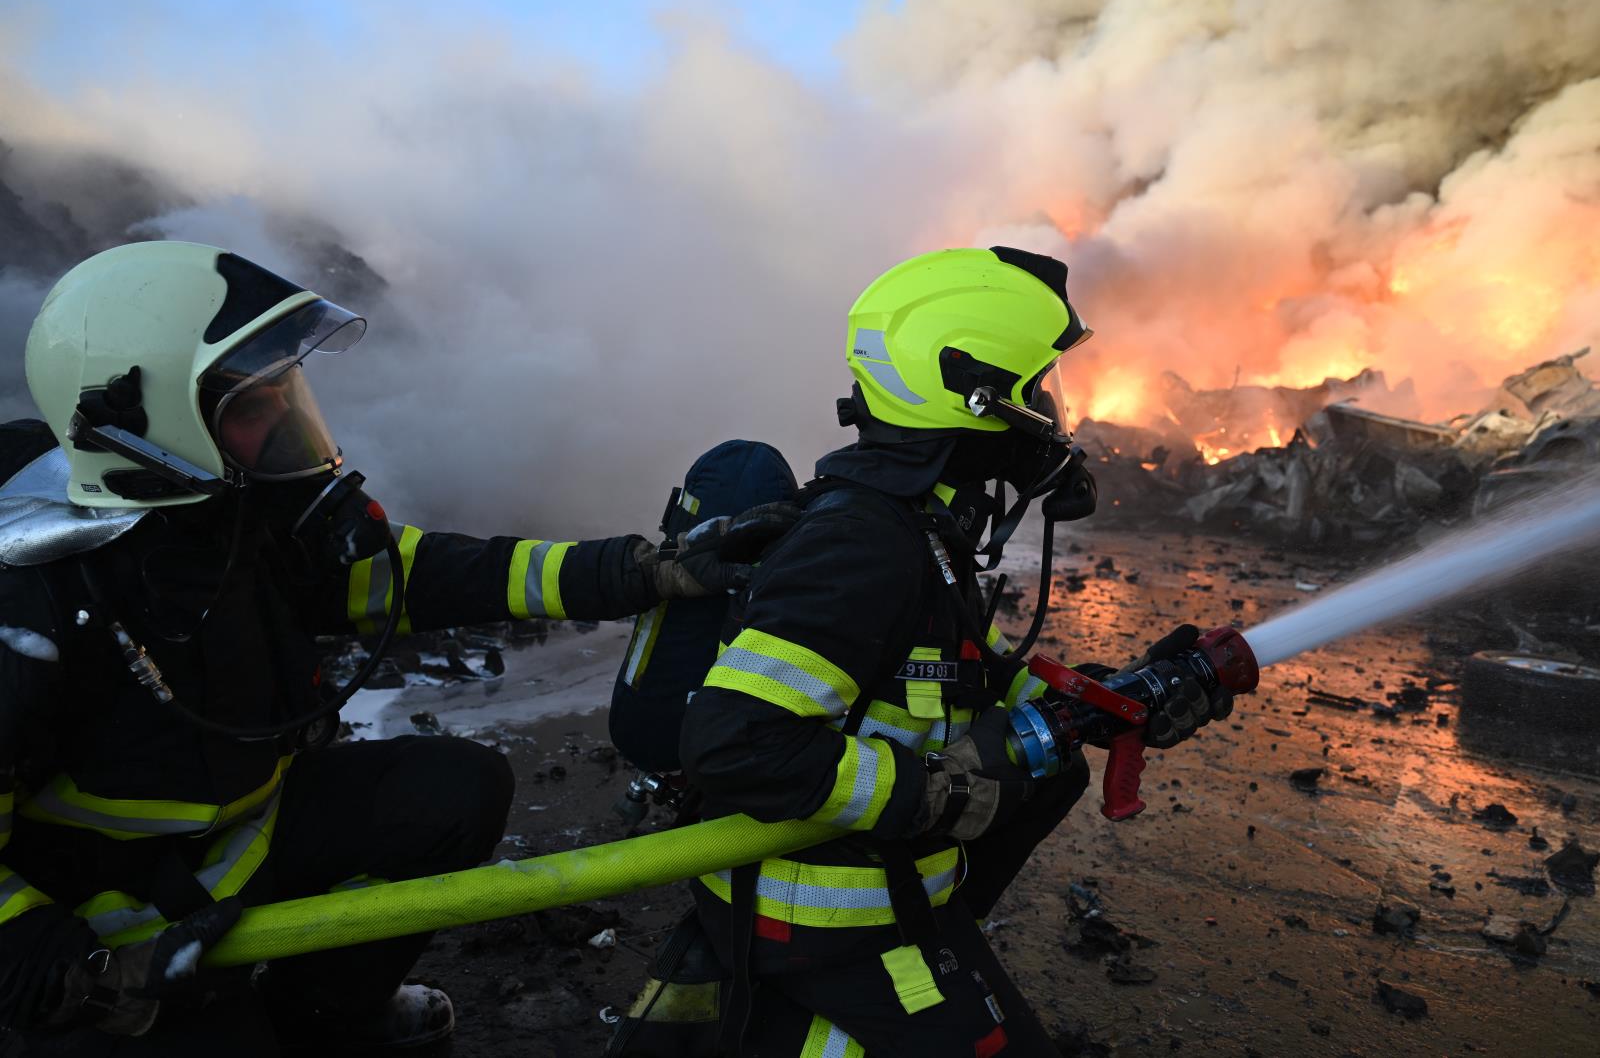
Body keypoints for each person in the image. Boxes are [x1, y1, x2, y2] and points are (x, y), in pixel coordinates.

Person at [0, 241, 770, 1055]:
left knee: (455, 790)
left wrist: (641, 571)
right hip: (108, 935)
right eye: (251, 408)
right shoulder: (34, 601)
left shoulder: (228, 518)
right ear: (143, 425)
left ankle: (329, 1014)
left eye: (284, 393)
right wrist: (47, 960)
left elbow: (425, 575)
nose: (287, 422)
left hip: (240, 848)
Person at [671, 247, 1231, 1055]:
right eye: (1038, 390)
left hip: (891, 904)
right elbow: (736, 743)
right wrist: (934, 789)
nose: (1051, 413)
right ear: (974, 400)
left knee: (1053, 770)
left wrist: (1110, 700)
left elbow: (972, 681)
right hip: (823, 925)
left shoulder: (921, 533)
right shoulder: (862, 545)